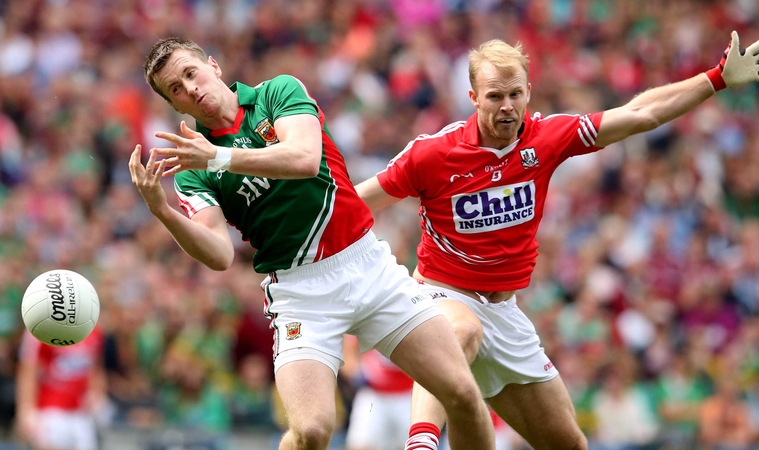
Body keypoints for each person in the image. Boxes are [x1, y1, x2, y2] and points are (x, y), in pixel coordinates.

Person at [355, 31, 759, 450]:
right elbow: (356, 204)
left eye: (515, 95)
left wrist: (717, 78)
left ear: (528, 92)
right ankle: (422, 443)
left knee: (570, 444)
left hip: (506, 313)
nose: (507, 107)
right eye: (494, 96)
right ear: (473, 97)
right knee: (459, 331)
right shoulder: (432, 154)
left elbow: (640, 114)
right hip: (442, 294)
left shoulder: (546, 137)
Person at [129, 37, 495, 450]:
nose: (190, 88)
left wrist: (219, 156)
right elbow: (219, 254)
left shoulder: (276, 92)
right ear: (175, 106)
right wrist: (162, 209)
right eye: (176, 89)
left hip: (366, 263)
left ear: (213, 66)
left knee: (462, 393)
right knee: (311, 431)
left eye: (190, 73)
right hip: (300, 290)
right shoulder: (193, 170)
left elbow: (304, 159)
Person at [15, 327, 106, 450]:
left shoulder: (94, 330)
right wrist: (26, 409)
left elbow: (95, 366)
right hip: (49, 411)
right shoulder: (41, 327)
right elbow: (29, 369)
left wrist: (96, 392)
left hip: (81, 413)